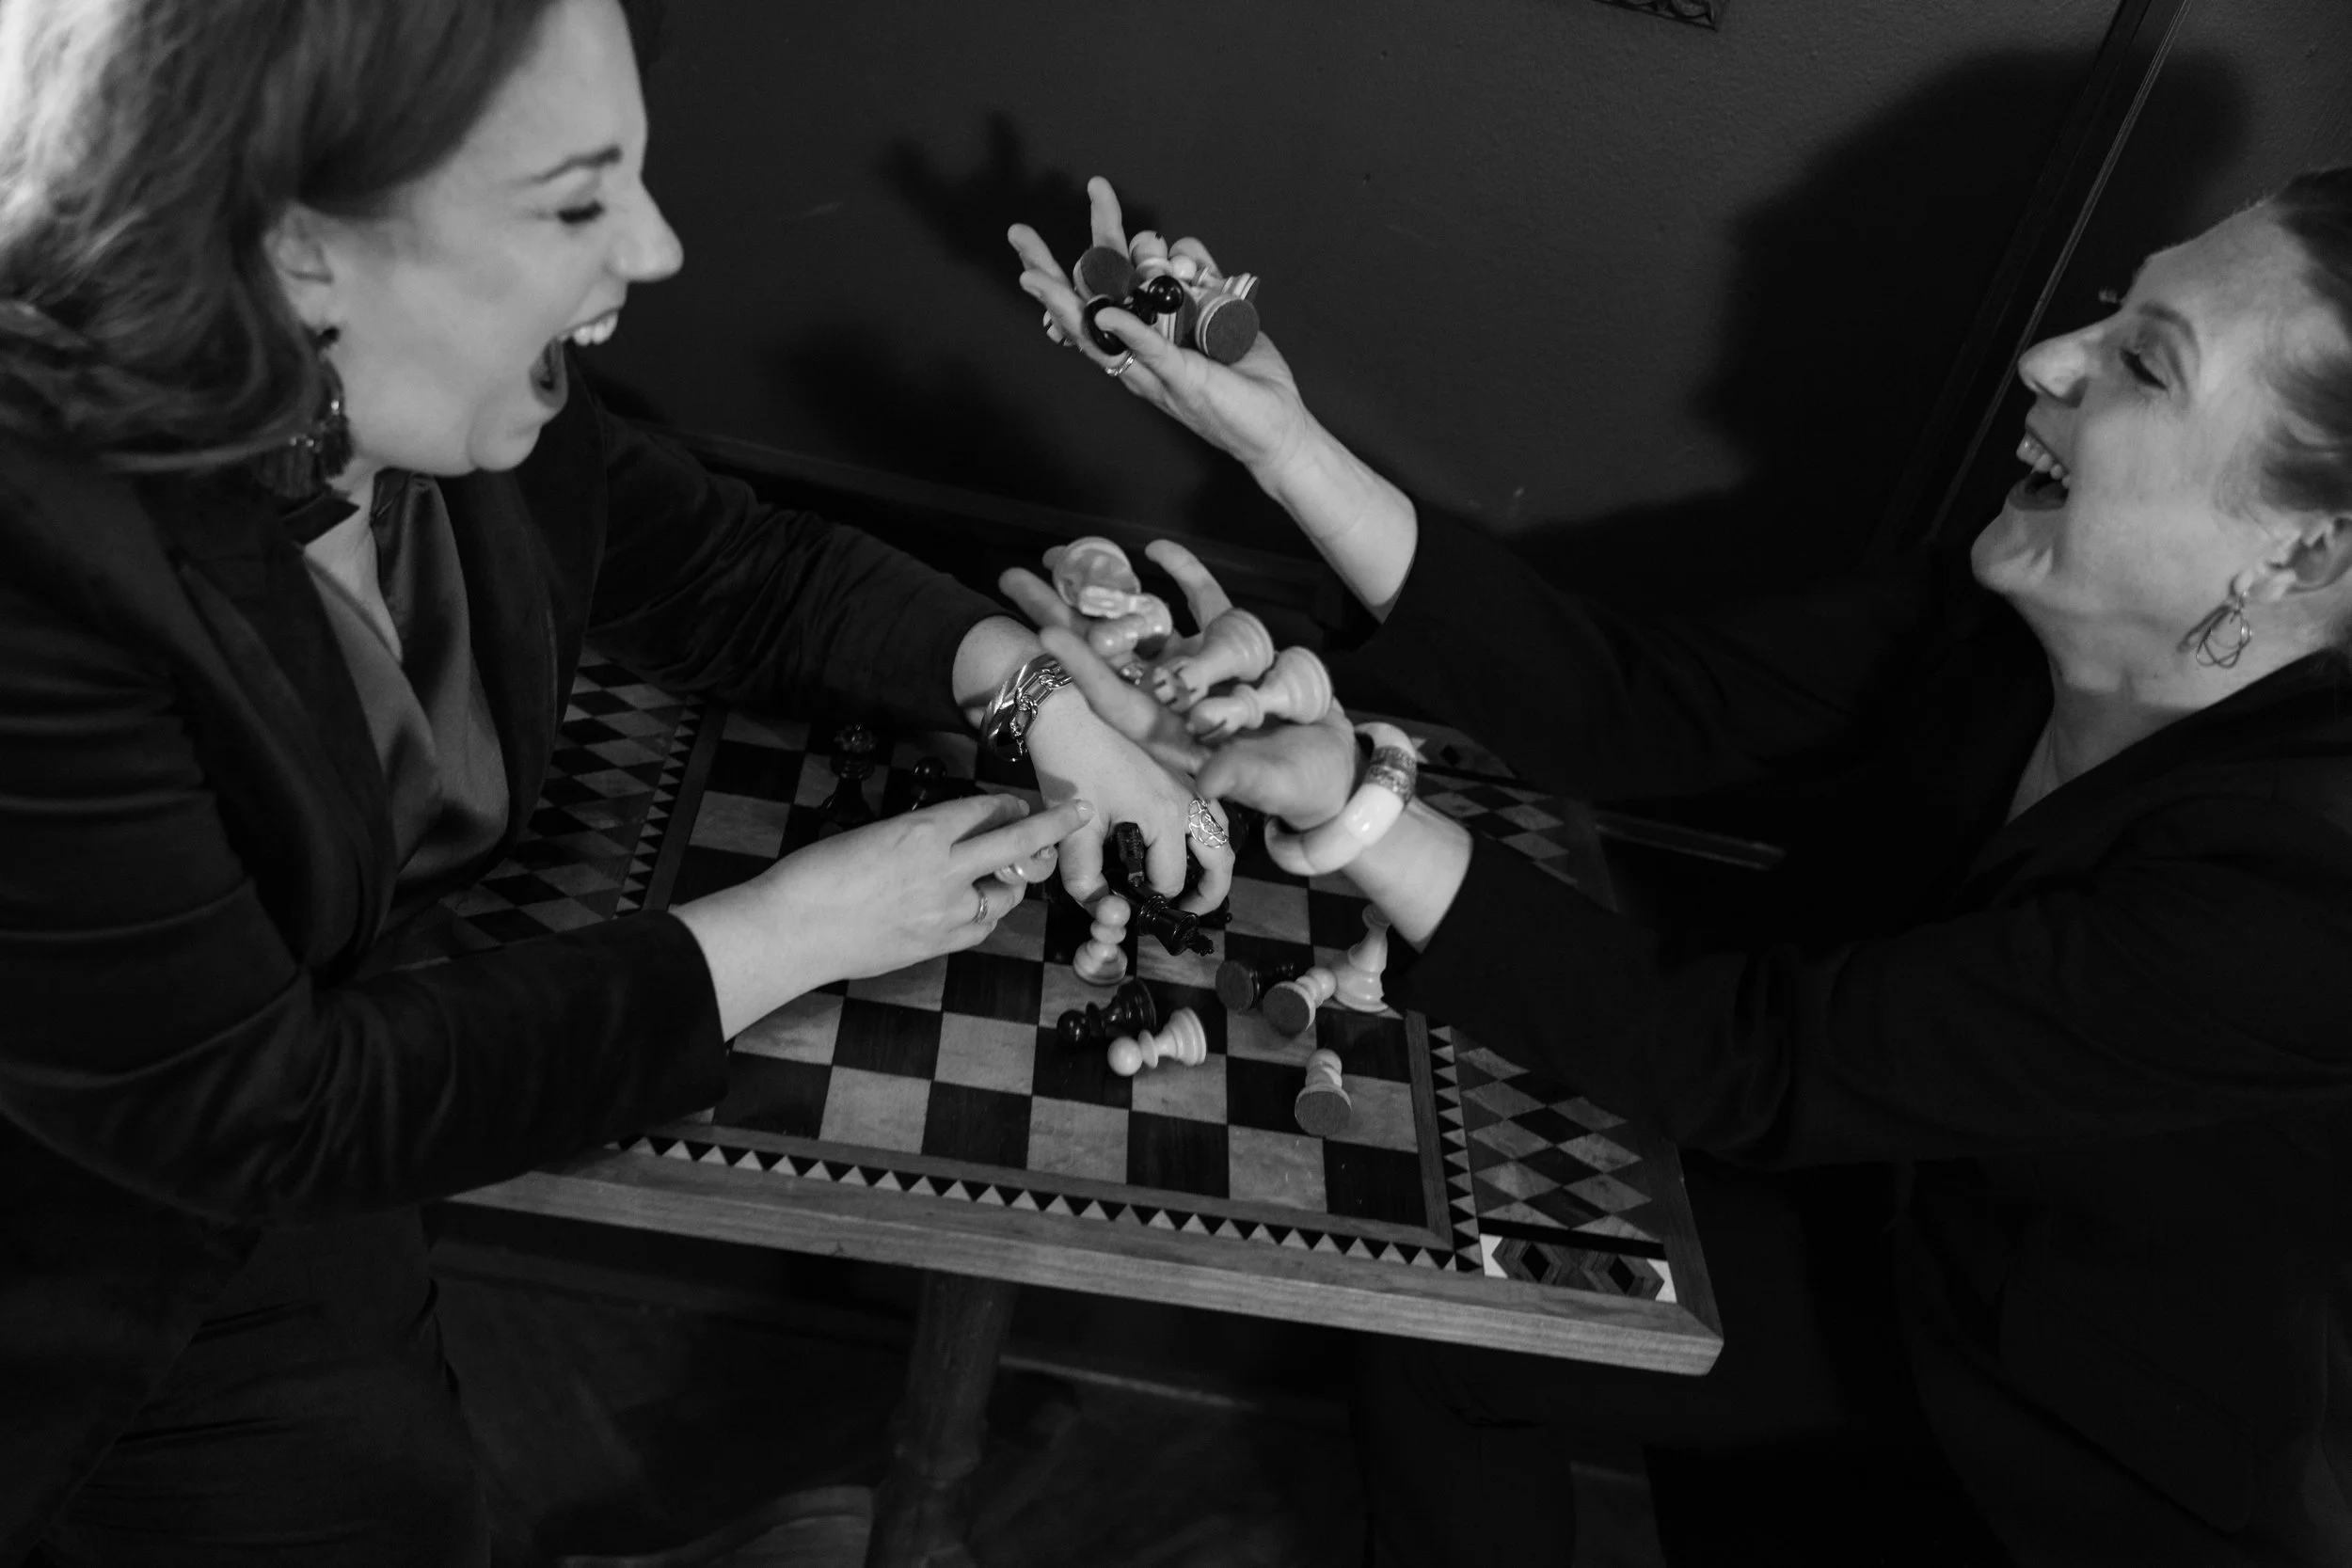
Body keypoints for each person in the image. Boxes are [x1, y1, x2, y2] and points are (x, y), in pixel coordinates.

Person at [0, 3, 1237, 1562]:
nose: (654, 250)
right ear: (297, 243)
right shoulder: (38, 572)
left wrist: (1039, 696)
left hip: (317, 1162)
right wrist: (792, 929)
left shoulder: (457, 402)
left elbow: (742, 571)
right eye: (580, 200)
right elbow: (267, 1110)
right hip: (77, 1264)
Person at [1009, 172, 2352, 1564]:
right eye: (2106, 312)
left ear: (2303, 544)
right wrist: (1280, 441)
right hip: (1858, 1232)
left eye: (2143, 362)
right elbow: (1634, 702)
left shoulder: (2310, 890)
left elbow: (1753, 1059)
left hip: (2049, 1462)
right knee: (1453, 1326)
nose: (2048, 361)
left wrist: (1359, 805)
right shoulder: (2015, 597)